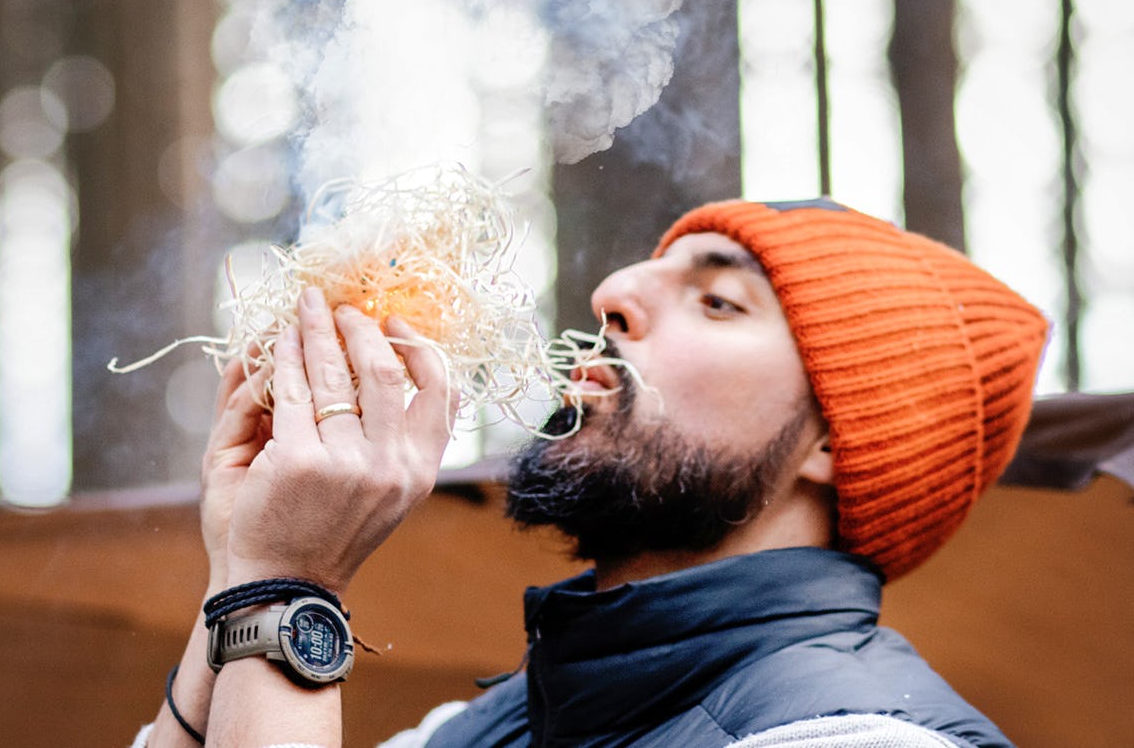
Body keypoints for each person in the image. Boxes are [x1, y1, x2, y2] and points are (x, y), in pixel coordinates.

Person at [133, 198, 1047, 748]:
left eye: (718, 301)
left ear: (835, 446)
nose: (612, 292)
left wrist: (290, 592)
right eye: (647, 270)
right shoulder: (480, 732)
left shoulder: (862, 737)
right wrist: (242, 572)